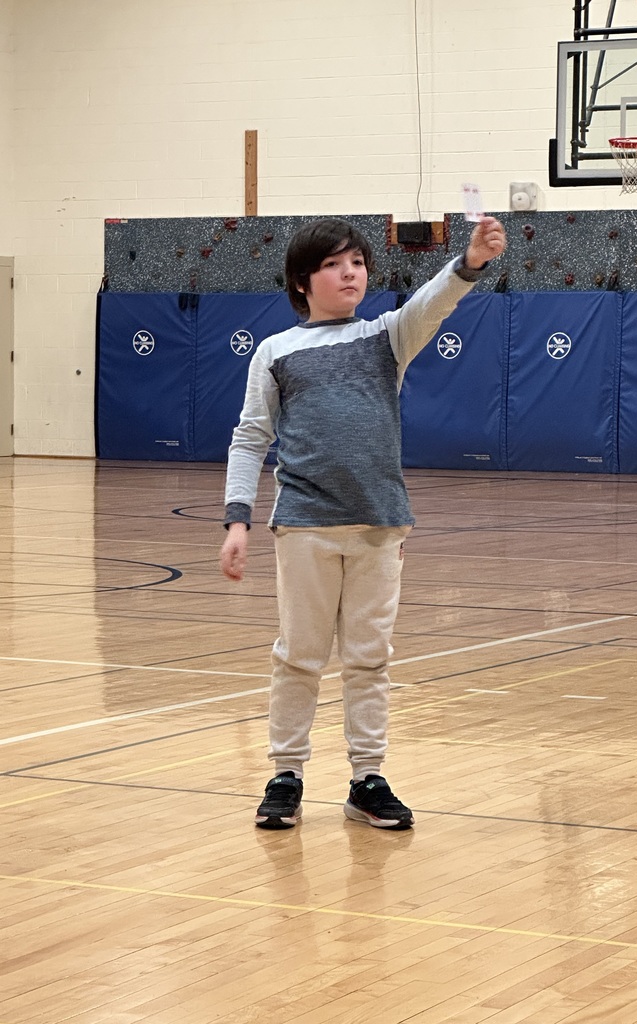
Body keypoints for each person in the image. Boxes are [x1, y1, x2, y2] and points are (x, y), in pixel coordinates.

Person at [220, 214, 507, 831]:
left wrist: (472, 262)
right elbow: (249, 441)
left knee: (369, 658)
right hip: (303, 525)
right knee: (299, 656)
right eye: (331, 264)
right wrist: (237, 519)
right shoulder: (276, 353)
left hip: (380, 526)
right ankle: (286, 774)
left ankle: (366, 779)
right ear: (303, 282)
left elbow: (434, 303)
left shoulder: (387, 339)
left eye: (356, 262)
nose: (348, 272)